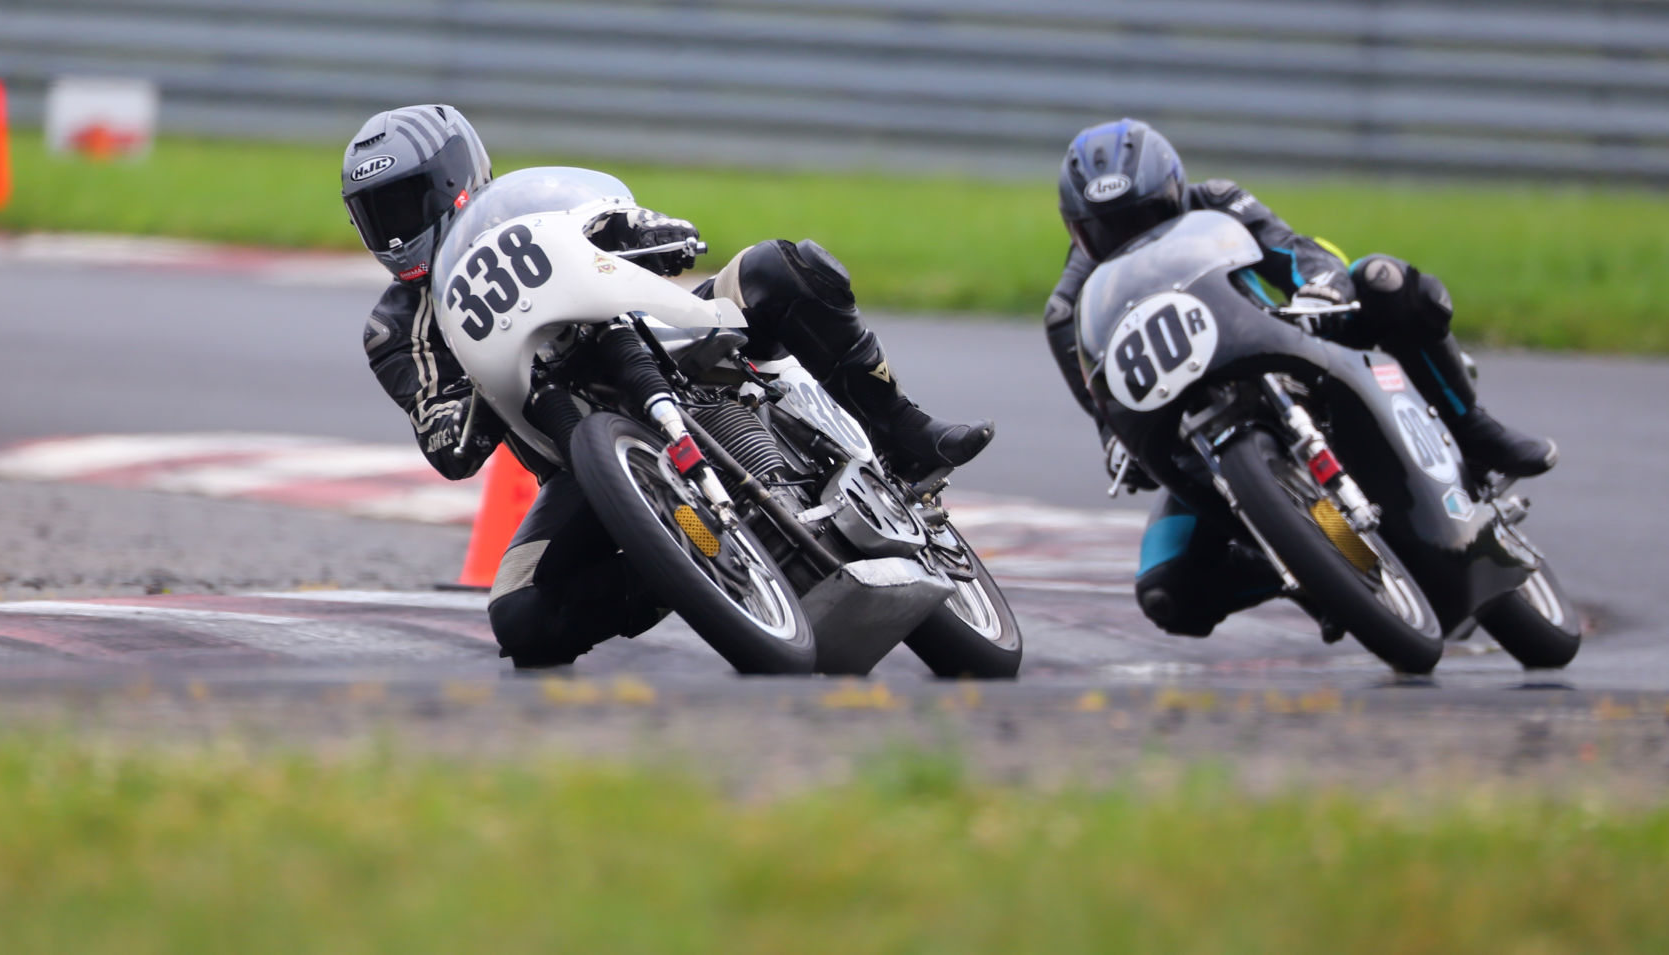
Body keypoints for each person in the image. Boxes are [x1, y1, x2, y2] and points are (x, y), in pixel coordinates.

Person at [341, 104, 993, 666]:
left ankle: (904, 433)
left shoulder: (529, 205)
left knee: (781, 266)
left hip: (674, 346)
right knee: (520, 614)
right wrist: (475, 387)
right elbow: (444, 438)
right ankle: (683, 564)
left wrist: (650, 232)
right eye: (375, 215)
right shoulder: (394, 329)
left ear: (453, 178)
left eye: (404, 203)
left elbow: (621, 219)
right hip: (580, 459)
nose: (394, 231)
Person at [1045, 118, 1559, 637]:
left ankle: (1472, 426)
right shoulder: (1069, 309)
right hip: (1200, 432)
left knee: (1385, 279)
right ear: (1076, 230)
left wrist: (1323, 290)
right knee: (1165, 590)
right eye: (1105, 230)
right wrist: (1118, 445)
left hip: (1292, 346)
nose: (1133, 240)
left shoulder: (1219, 201)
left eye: (1148, 217)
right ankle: (1312, 564)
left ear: (1176, 193)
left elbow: (1298, 252)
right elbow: (1106, 410)